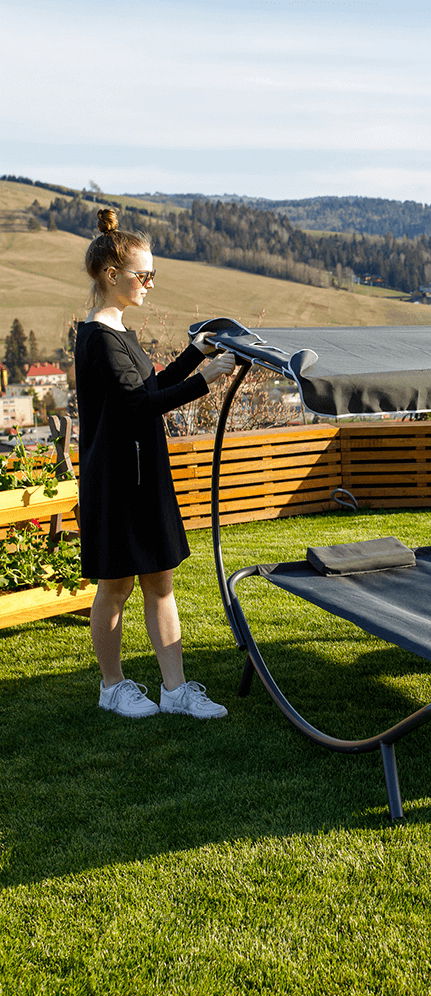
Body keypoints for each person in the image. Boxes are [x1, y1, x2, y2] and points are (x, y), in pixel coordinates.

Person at [75, 207, 236, 719]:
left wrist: (193, 354)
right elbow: (138, 406)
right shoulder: (97, 339)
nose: (150, 283)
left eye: (152, 274)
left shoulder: (120, 332)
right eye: (143, 274)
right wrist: (206, 378)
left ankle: (175, 690)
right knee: (116, 586)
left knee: (160, 581)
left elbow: (149, 385)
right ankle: (112, 686)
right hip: (117, 482)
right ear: (111, 274)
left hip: (145, 477)